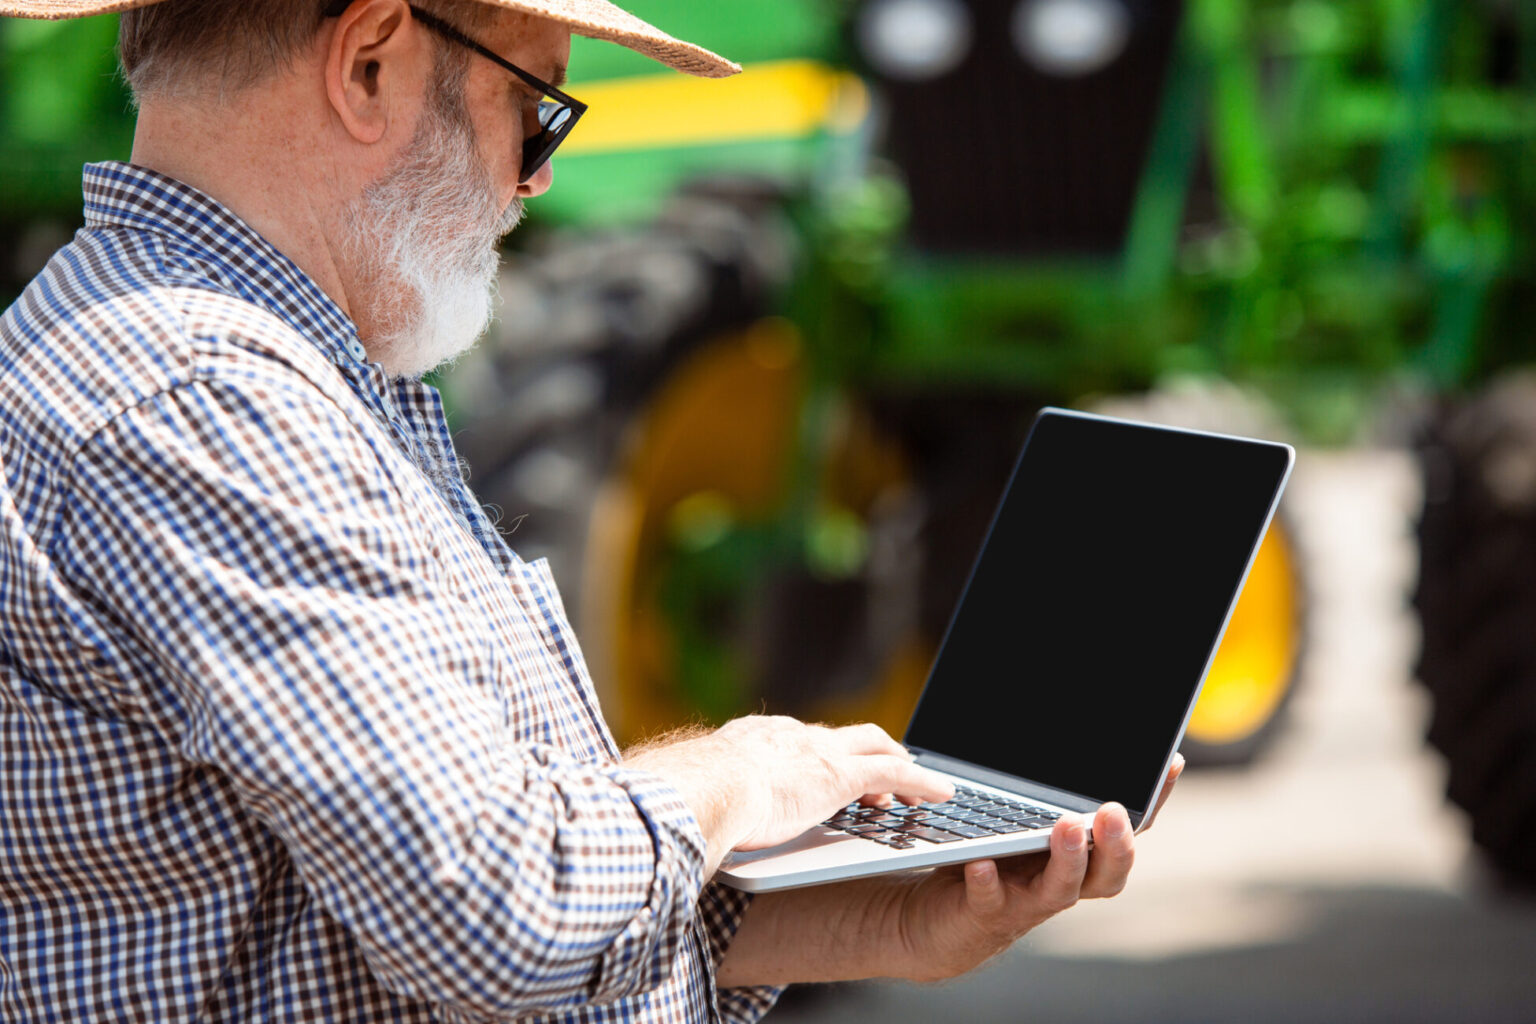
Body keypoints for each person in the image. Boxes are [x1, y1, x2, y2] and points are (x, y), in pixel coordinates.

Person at [0, 0, 1182, 1019]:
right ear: (369, 61)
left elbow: (349, 919)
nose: (541, 174)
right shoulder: (209, 403)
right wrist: (742, 769)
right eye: (539, 108)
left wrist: (881, 925)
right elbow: (490, 904)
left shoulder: (237, 366)